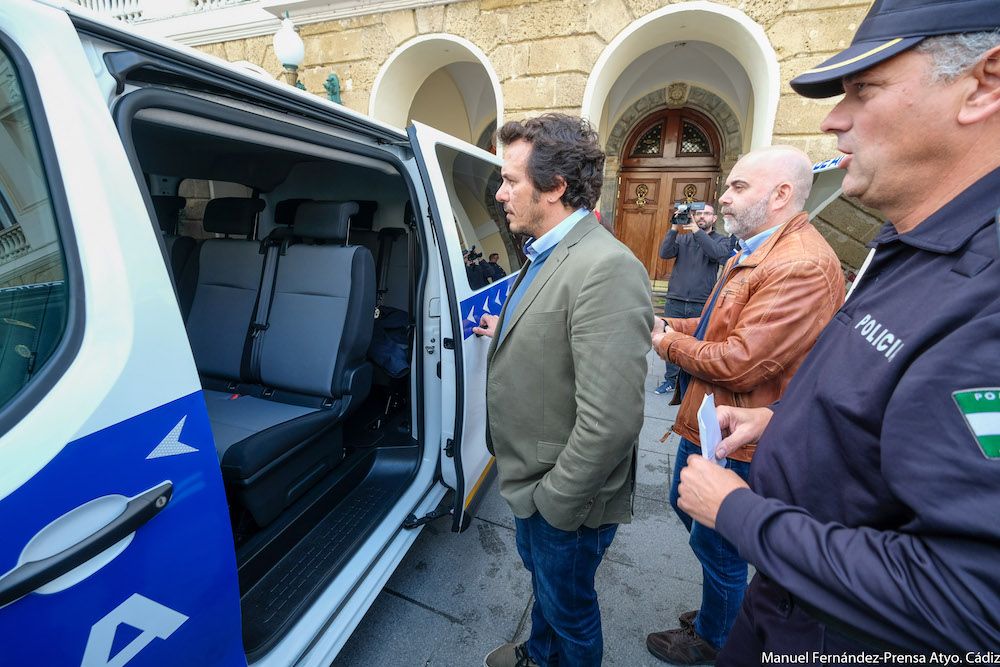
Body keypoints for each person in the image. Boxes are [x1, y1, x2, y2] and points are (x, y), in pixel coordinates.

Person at [675, 1, 1000, 660]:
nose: (832, 119)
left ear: (983, 85)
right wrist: (782, 423)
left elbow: (970, 599)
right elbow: (886, 410)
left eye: (864, 89)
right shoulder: (913, 243)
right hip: (790, 606)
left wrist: (739, 512)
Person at [647, 145, 844, 664]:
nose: (723, 198)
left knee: (719, 545)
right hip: (713, 424)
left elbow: (740, 362)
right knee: (693, 517)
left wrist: (668, 344)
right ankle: (725, 609)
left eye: (738, 187)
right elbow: (719, 325)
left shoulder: (799, 265)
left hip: (741, 439)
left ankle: (716, 637)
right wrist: (671, 325)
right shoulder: (755, 250)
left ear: (781, 195)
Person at [473, 113, 652, 667]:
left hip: (563, 497)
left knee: (570, 610)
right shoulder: (548, 250)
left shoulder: (606, 267)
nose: (499, 193)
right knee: (548, 594)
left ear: (553, 187)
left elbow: (611, 420)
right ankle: (538, 655)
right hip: (534, 481)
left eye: (510, 180)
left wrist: (554, 502)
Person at [653, 203, 732, 395]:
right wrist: (674, 227)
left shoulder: (722, 240)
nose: (702, 216)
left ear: (714, 218)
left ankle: (690, 382)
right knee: (669, 338)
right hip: (676, 299)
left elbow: (718, 255)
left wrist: (696, 230)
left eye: (707, 213)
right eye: (698, 213)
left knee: (695, 343)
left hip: (701, 302)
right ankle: (671, 380)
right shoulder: (683, 238)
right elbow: (665, 253)